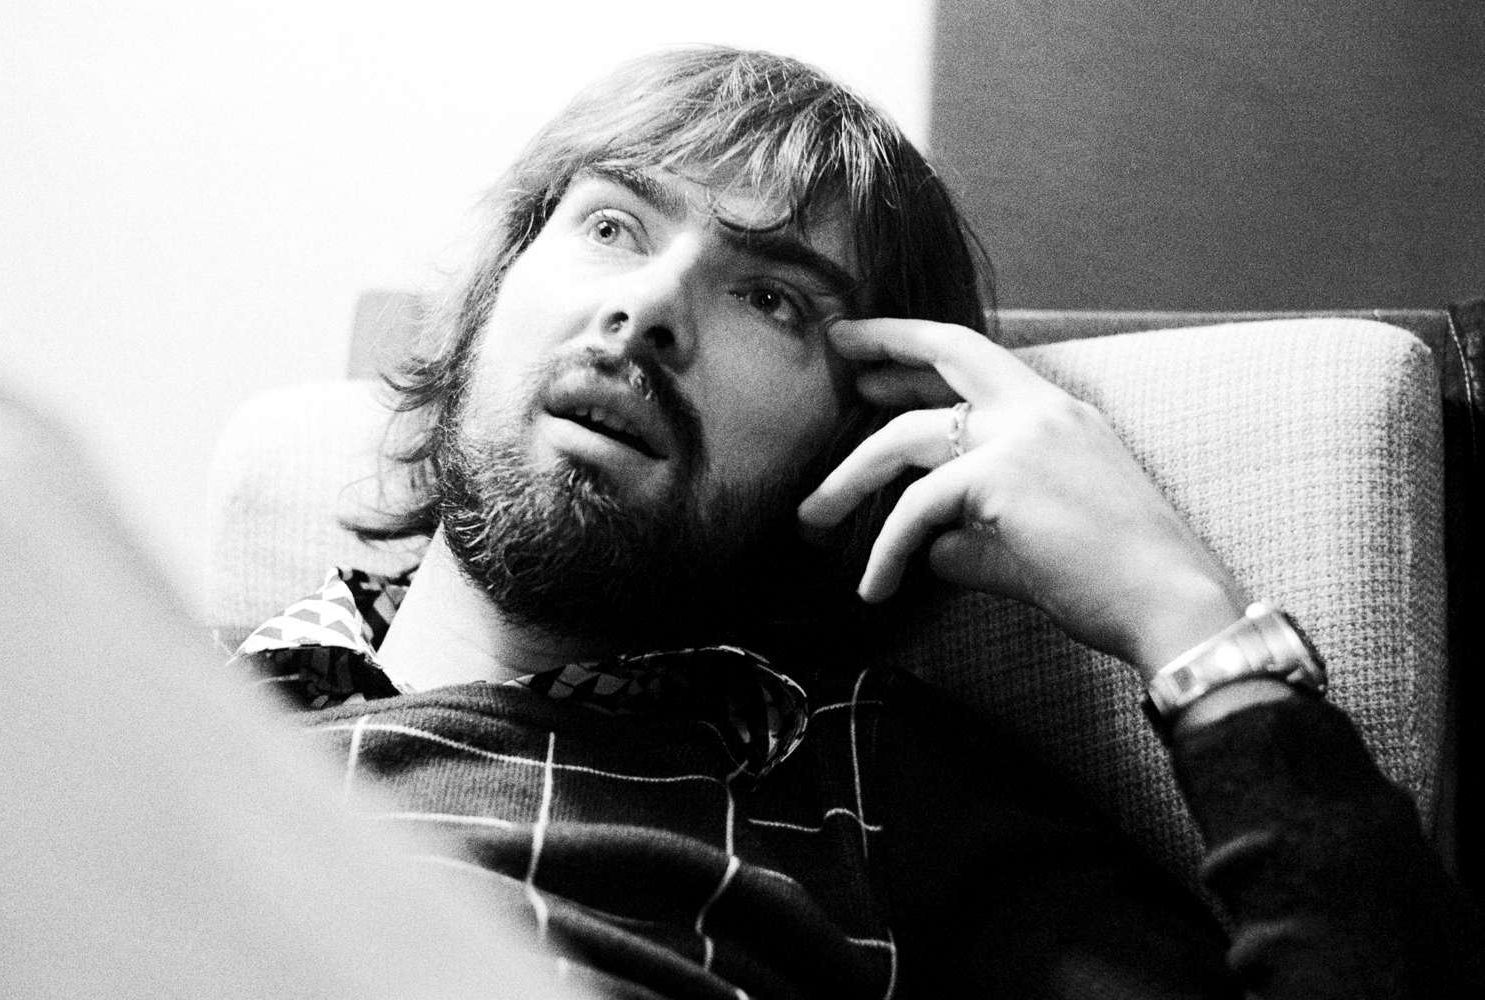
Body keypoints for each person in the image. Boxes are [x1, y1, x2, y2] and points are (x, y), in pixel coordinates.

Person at [235, 46, 1482, 998]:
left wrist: (1181, 610)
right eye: (614, 225)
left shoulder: (865, 796)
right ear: (491, 290)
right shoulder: (190, 687)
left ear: (853, 443)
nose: (650, 309)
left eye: (770, 297)